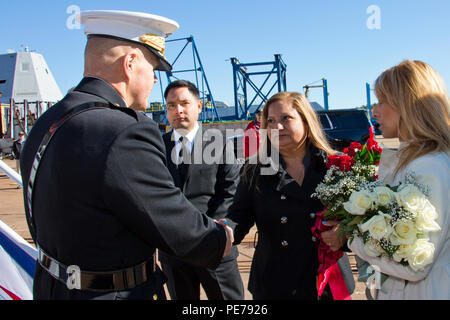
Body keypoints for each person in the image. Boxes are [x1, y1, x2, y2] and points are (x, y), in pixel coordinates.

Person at [19, 10, 233, 300]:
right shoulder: (125, 129)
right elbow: (168, 219)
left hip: (53, 287)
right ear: (131, 63)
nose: (156, 81)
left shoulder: (47, 121)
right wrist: (219, 238)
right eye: (153, 69)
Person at [228, 91, 353, 299]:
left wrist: (345, 234)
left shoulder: (337, 165)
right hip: (275, 282)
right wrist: (222, 232)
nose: (277, 127)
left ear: (306, 120)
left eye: (286, 118)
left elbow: (361, 221)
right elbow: (238, 218)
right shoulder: (254, 170)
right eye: (271, 121)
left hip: (326, 282)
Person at [344, 60, 450, 300]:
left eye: (382, 100)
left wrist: (352, 238)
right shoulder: (423, 158)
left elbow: (413, 264)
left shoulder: (428, 166)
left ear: (408, 104)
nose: (375, 111)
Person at [158, 80, 244, 300]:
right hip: (173, 249)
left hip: (213, 245)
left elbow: (230, 190)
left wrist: (209, 232)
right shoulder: (155, 147)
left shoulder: (219, 144)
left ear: (198, 106)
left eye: (185, 103)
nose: (178, 110)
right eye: (171, 105)